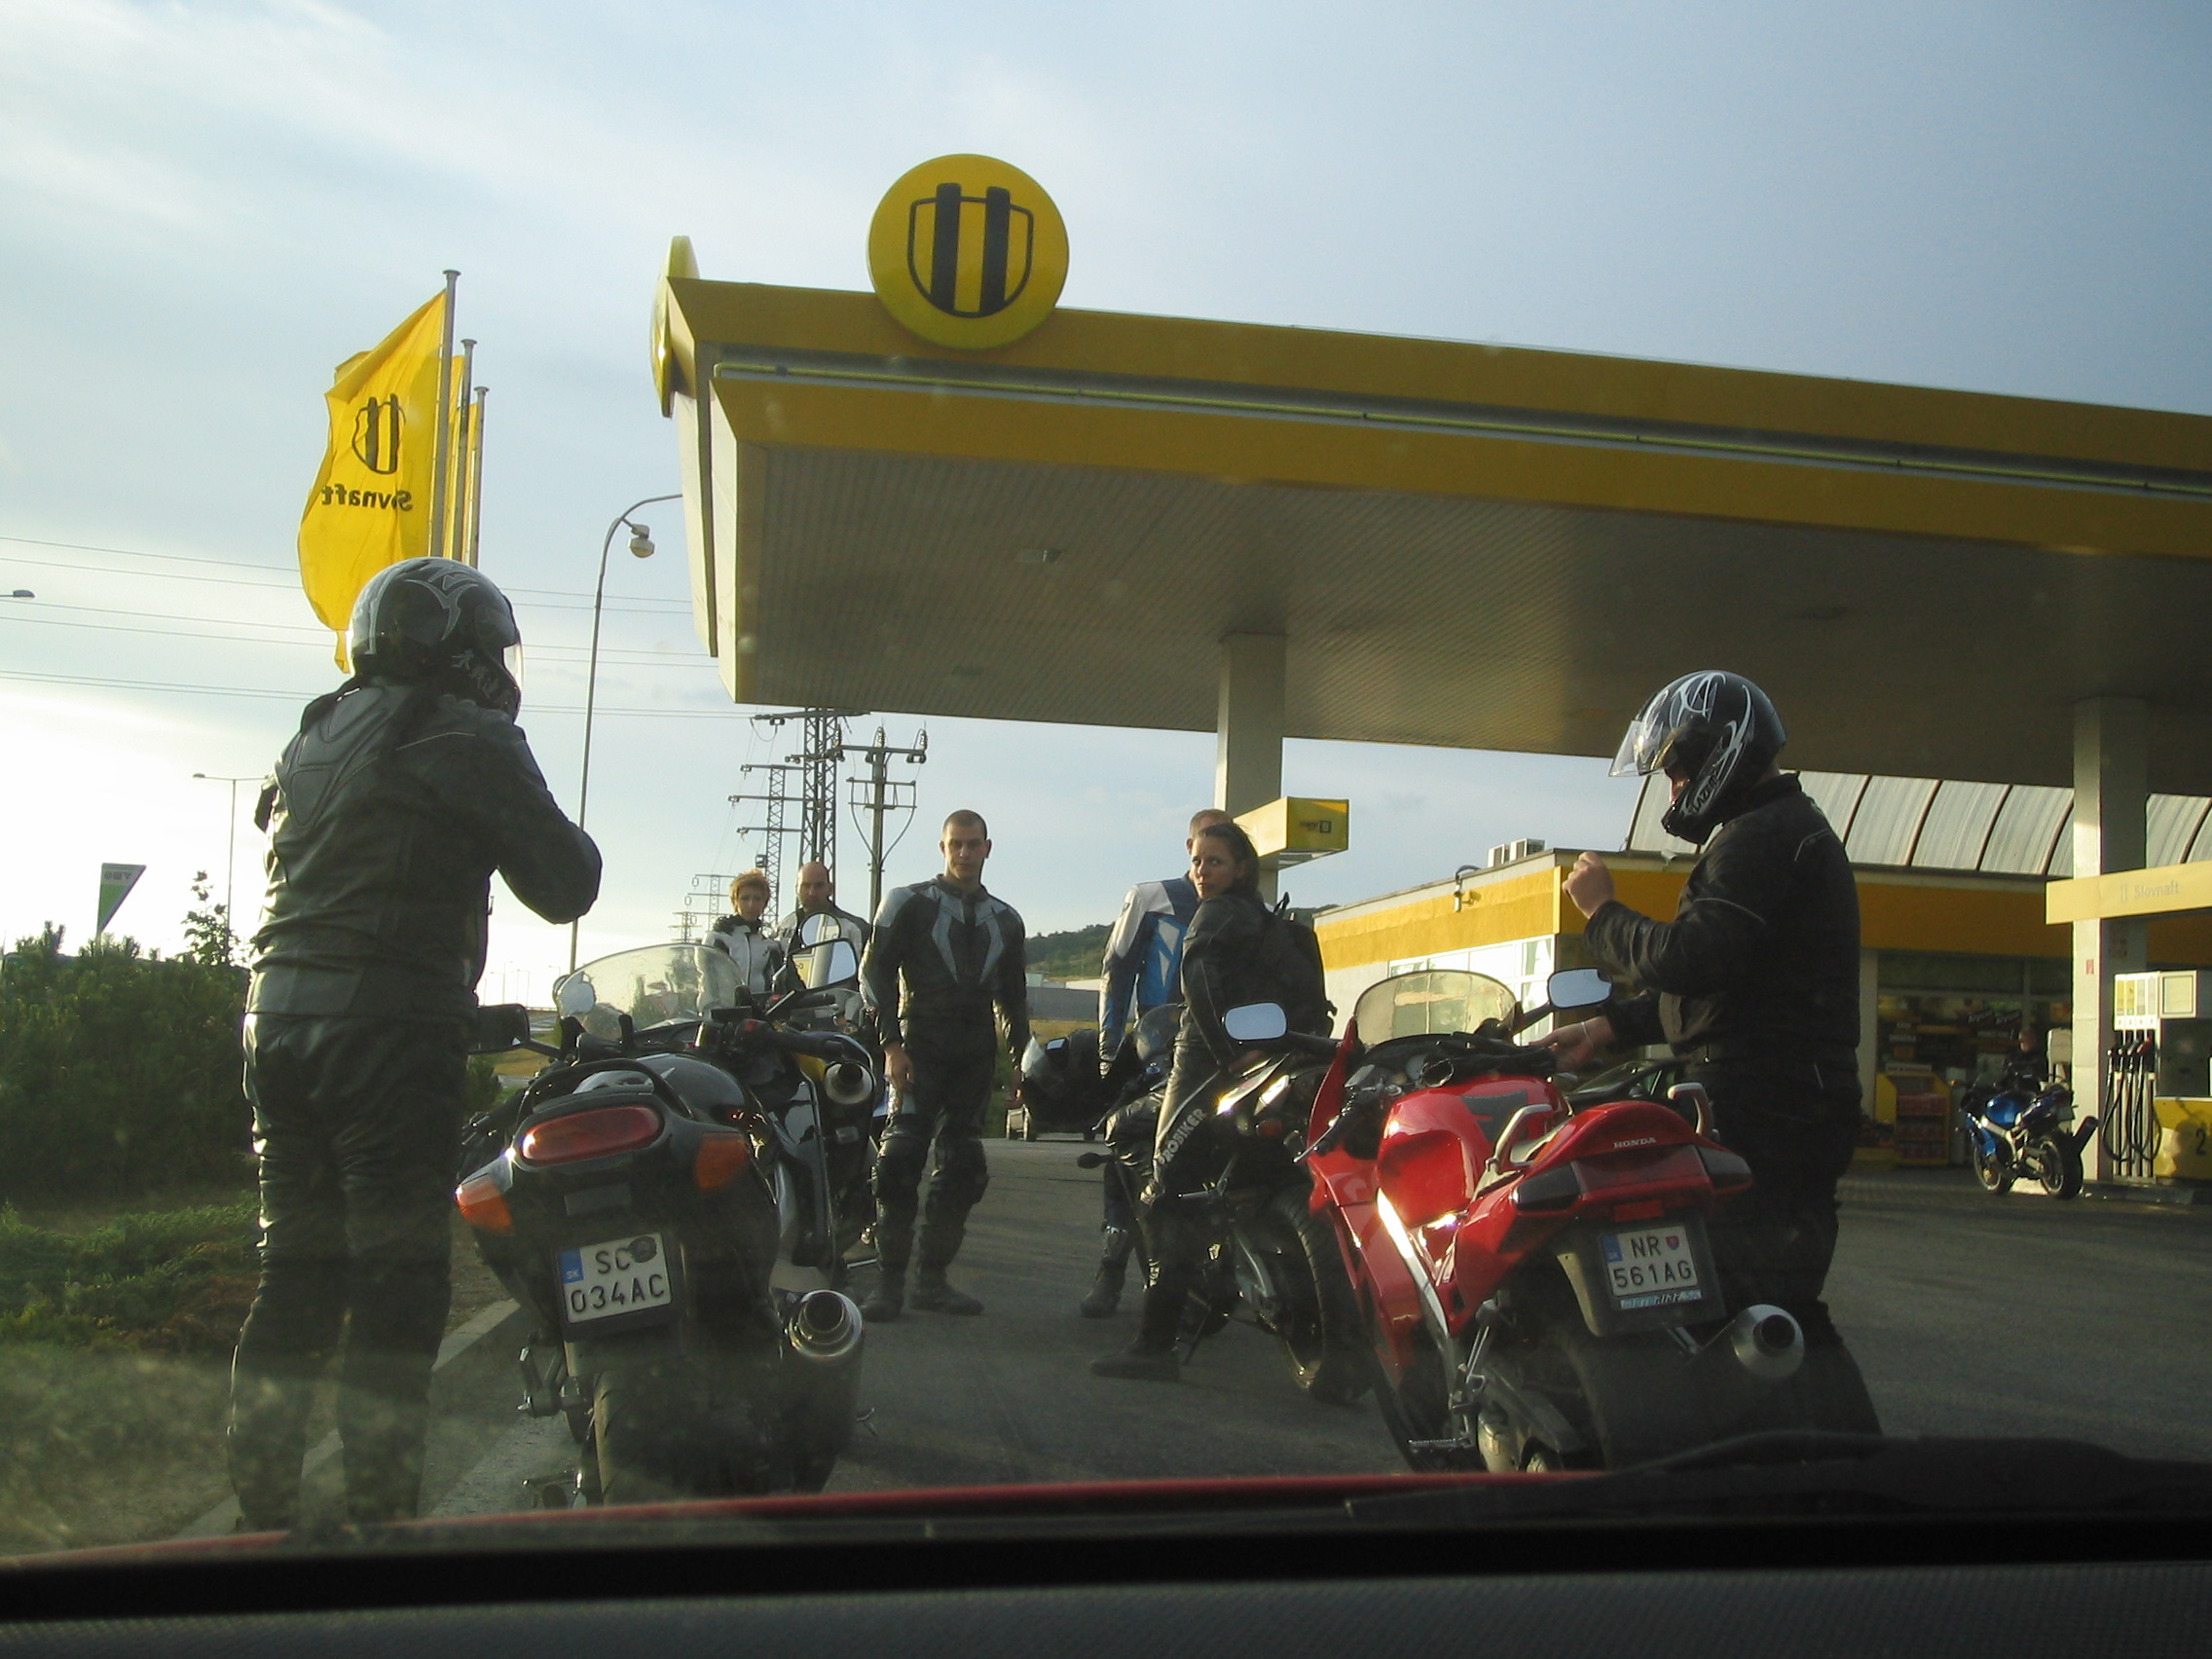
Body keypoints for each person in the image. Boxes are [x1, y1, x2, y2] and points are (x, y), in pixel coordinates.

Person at [230, 558, 601, 1530]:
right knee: (396, 1287)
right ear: (455, 647)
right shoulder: (464, 732)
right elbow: (566, 883)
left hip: (275, 1022)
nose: (500, 670)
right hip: (384, 1034)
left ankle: (261, 1516)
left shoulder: (313, 731)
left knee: (293, 1275)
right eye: (490, 649)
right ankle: (379, 1524)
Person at [1540, 669, 1880, 1432]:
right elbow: (1725, 984)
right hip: (1785, 1094)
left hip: (1767, 1100)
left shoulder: (1762, 837)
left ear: (1723, 751)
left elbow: (1693, 958)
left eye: (1679, 769)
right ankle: (1808, 1454)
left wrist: (1602, 914)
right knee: (1763, 1303)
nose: (1674, 789)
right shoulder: (1774, 830)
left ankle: (1793, 1460)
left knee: (1753, 1300)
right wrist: (1608, 1029)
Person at [1091, 819, 1328, 1382]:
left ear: (1241, 867)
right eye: (1197, 861)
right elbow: (1312, 1004)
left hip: (1205, 1068)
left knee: (1166, 1196)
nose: (1202, 871)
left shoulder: (1213, 914)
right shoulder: (1277, 925)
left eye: (1215, 861)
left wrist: (1224, 1054)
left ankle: (1154, 1346)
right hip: (1277, 1065)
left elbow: (1197, 983)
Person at [858, 810, 1029, 1320]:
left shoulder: (1007, 919)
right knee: (899, 1160)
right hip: (920, 1041)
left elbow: (1013, 999)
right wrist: (891, 1046)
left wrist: (1022, 1063)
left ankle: (932, 1282)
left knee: (963, 1167)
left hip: (974, 1051)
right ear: (943, 847)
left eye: (973, 844)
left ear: (987, 848)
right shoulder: (908, 902)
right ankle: (887, 1283)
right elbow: (874, 973)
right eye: (956, 844)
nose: (964, 853)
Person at [1078, 807, 1232, 1318]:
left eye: (1220, 847)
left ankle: (1205, 1275)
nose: (1207, 862)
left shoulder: (1245, 908)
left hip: (1220, 1054)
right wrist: (1110, 1051)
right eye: (1202, 847)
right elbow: (1116, 969)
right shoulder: (1153, 897)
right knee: (1127, 1150)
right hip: (1156, 1049)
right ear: (1189, 847)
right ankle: (1112, 1264)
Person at [706, 869, 783, 999]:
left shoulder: (770, 946)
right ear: (735, 902)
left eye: (757, 899)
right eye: (745, 898)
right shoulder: (718, 938)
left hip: (759, 1009)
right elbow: (707, 981)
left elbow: (778, 986)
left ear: (764, 904)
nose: (751, 905)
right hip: (722, 1008)